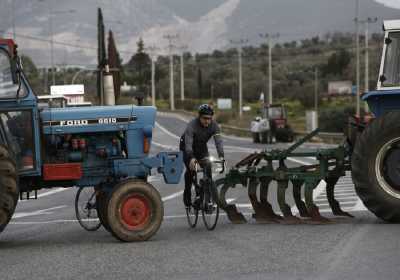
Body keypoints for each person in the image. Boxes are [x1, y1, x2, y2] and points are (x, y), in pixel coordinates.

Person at [179, 104, 225, 208]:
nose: (207, 121)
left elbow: (218, 142)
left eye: (209, 119)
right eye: (204, 118)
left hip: (201, 146)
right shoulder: (192, 125)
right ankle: (187, 194)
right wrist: (191, 158)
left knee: (207, 167)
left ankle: (207, 198)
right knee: (192, 169)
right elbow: (188, 144)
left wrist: (221, 157)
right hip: (186, 146)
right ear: (199, 117)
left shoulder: (214, 126)